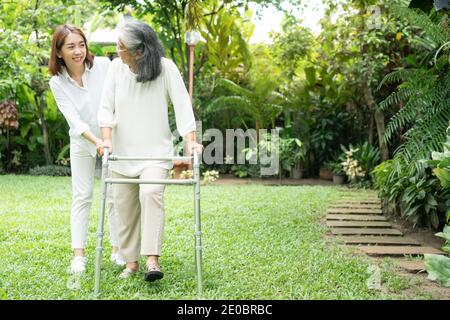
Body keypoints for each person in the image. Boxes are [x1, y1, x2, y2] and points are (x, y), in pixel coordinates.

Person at [97, 19, 203, 281]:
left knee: (151, 193)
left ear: (139, 51)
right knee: (124, 206)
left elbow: (182, 107)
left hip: (155, 151)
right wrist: (107, 139)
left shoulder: (166, 69)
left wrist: (191, 141)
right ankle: (131, 262)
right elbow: (105, 108)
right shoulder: (115, 68)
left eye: (122, 47)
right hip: (123, 151)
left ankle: (152, 260)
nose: (117, 50)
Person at [48, 24, 125, 273]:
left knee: (114, 195)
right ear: (59, 52)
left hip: (111, 138)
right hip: (83, 141)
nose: (78, 51)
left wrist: (107, 138)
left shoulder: (103, 65)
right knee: (82, 197)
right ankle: (79, 256)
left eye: (81, 44)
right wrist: (97, 142)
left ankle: (117, 250)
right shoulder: (57, 82)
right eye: (70, 46)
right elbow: (75, 121)